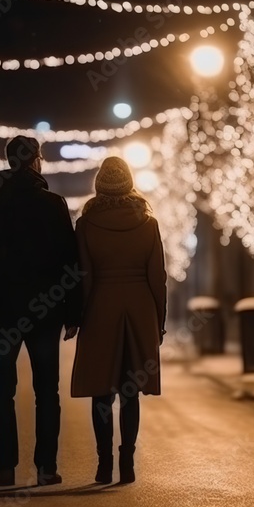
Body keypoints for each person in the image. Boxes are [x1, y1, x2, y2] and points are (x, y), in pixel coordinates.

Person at [0, 136, 81, 488]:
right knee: (47, 390)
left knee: (3, 390)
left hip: (1, 313)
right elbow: (70, 262)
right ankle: (46, 467)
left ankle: (5, 468)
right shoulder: (53, 204)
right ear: (36, 161)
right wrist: (73, 311)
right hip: (45, 311)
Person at [71, 156, 167, 485]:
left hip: (100, 309)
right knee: (130, 391)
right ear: (129, 183)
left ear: (99, 185)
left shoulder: (86, 224)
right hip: (140, 310)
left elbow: (82, 276)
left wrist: (76, 317)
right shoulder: (148, 223)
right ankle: (128, 461)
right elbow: (158, 278)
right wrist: (160, 319)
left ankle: (104, 463)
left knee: (101, 391)